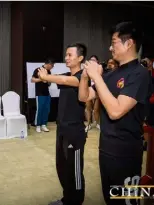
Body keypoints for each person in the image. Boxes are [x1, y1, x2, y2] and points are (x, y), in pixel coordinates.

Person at [78, 22, 151, 205]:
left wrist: (96, 77)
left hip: (126, 152)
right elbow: (84, 96)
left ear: (129, 44)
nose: (110, 47)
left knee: (125, 201)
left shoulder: (139, 74)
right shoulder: (111, 75)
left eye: (114, 42)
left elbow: (116, 111)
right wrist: (86, 77)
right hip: (106, 149)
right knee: (110, 199)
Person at [39, 43, 89, 205]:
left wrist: (46, 76)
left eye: (70, 55)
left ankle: (76, 201)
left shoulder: (82, 76)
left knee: (74, 170)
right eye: (66, 55)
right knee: (62, 167)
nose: (66, 58)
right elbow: (61, 78)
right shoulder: (68, 74)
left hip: (74, 131)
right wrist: (44, 73)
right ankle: (67, 198)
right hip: (62, 129)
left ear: (80, 58)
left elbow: (63, 79)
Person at [31, 58, 55, 133]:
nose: (52, 67)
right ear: (48, 64)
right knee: (40, 109)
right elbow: (32, 80)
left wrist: (48, 81)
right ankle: (38, 125)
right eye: (52, 65)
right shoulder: (38, 69)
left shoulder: (49, 71)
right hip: (39, 93)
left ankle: (44, 125)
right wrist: (42, 79)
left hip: (47, 93)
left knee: (47, 109)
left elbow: (49, 83)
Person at [85, 55, 100, 131]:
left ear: (97, 61)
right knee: (88, 108)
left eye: (94, 60)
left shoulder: (100, 70)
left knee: (96, 109)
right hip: (88, 91)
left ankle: (97, 123)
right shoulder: (86, 70)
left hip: (97, 92)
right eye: (91, 60)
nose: (92, 61)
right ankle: (88, 124)